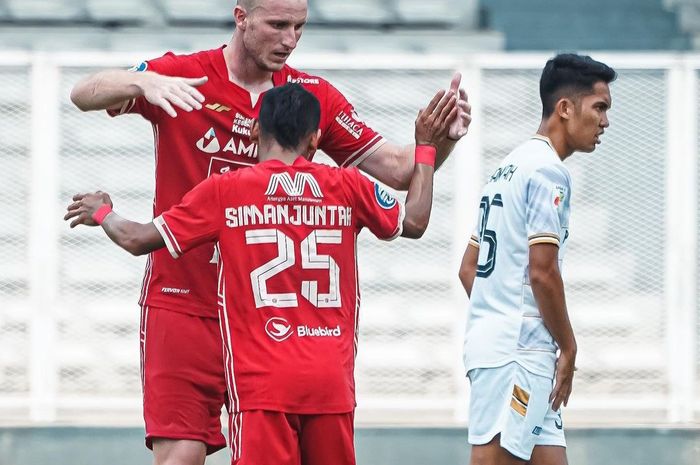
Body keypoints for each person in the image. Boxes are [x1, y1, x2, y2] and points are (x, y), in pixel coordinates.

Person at [69, 0, 471, 462]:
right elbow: (83, 92)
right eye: (278, 25)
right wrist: (142, 80)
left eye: (300, 26)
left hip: (269, 325)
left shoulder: (310, 97)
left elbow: (401, 171)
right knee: (180, 456)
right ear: (241, 17)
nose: (290, 40)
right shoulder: (182, 76)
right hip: (184, 302)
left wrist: (439, 142)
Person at [457, 53, 616, 465]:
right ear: (565, 108)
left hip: (514, 348)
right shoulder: (547, 171)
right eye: (599, 107)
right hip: (517, 355)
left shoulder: (507, 168)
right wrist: (569, 346)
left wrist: (498, 316)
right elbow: (542, 272)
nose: (605, 122)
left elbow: (469, 268)